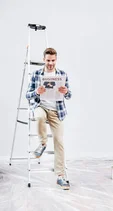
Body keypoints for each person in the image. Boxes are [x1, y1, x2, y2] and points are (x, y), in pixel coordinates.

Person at [25, 47, 72, 190]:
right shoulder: (36, 74)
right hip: (41, 106)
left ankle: (60, 176)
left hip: (57, 111)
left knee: (59, 141)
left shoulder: (62, 74)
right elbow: (27, 95)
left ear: (56, 60)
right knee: (38, 116)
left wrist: (66, 92)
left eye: (53, 60)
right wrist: (36, 92)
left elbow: (69, 96)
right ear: (43, 60)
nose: (50, 63)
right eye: (48, 60)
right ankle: (43, 144)